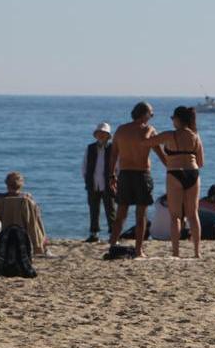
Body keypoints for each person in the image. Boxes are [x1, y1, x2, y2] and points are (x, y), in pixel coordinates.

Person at [136, 106, 205, 258]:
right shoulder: (195, 136)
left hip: (175, 172)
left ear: (178, 119)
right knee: (193, 214)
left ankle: (176, 252)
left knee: (175, 216)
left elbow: (144, 142)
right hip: (193, 173)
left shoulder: (169, 135)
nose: (172, 120)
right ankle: (197, 252)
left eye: (173, 118)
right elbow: (201, 162)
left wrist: (149, 129)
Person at [108, 102, 158, 257]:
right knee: (140, 214)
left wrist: (111, 175)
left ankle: (112, 245)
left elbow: (113, 154)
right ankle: (138, 250)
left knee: (121, 213)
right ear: (144, 114)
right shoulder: (148, 130)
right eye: (151, 113)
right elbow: (160, 153)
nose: (152, 116)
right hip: (142, 174)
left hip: (124, 174)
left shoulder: (121, 130)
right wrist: (173, 168)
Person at [0, 171, 48, 255]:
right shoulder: (27, 199)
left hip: (4, 235)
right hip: (24, 233)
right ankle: (42, 245)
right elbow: (35, 219)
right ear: (21, 185)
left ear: (6, 183)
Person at [82, 122, 115, 242]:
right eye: (99, 133)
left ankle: (113, 234)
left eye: (103, 133)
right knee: (93, 209)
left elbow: (118, 166)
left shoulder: (113, 148)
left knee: (110, 209)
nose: (101, 135)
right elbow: (84, 165)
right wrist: (86, 179)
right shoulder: (90, 148)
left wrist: (115, 181)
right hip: (93, 183)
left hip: (108, 183)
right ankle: (94, 234)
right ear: (96, 135)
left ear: (107, 135)